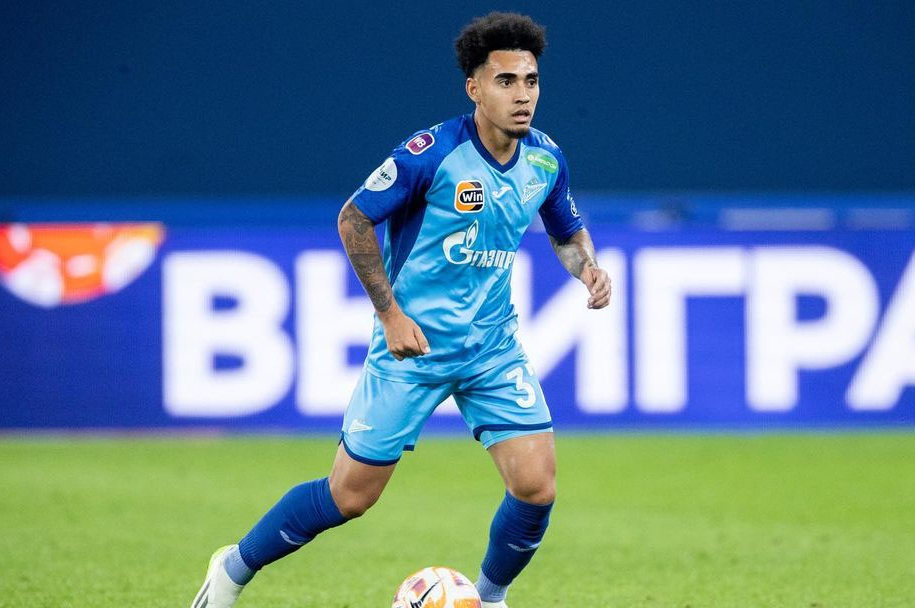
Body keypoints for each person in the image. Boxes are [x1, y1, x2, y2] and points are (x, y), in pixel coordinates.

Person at [189, 11, 611, 608]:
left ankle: (489, 599)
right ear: (474, 88)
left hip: (491, 348)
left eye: (531, 81)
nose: (523, 95)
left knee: (536, 487)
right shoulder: (431, 154)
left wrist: (586, 266)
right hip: (412, 349)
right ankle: (232, 568)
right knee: (349, 497)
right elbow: (353, 219)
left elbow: (566, 233)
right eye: (506, 81)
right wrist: (389, 315)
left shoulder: (545, 159)